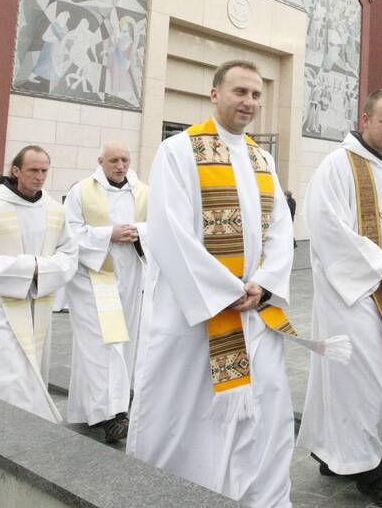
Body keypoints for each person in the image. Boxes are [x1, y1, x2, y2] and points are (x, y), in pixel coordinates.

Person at [127, 60, 296, 507]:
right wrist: (225, 289)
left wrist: (264, 282)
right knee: (191, 414)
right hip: (197, 315)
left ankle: (259, 497)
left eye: (257, 95)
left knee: (266, 407)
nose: (250, 102)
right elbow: (168, 230)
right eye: (240, 92)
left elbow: (282, 226)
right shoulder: (179, 150)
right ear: (214, 94)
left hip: (254, 310)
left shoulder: (262, 158)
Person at [298, 88, 382, 508]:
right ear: (366, 119)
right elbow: (325, 226)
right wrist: (377, 265)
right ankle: (369, 469)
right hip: (348, 294)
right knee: (359, 376)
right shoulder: (337, 165)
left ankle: (334, 452)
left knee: (347, 374)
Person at [0, 145, 78, 421]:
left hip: (37, 305)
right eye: (33, 170)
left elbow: (69, 255)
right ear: (16, 171)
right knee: (7, 377)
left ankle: (30, 432)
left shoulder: (55, 210)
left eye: (44, 171)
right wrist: (32, 267)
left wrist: (44, 270)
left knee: (32, 372)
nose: (40, 177)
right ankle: (7, 431)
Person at [63, 141, 148, 442]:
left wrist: (141, 233)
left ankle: (102, 407)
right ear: (100, 161)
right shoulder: (82, 191)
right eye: (113, 160)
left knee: (123, 344)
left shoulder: (142, 191)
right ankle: (111, 415)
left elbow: (159, 227)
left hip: (130, 278)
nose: (120, 166)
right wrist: (108, 234)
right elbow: (68, 233)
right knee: (102, 346)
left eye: (124, 160)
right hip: (93, 279)